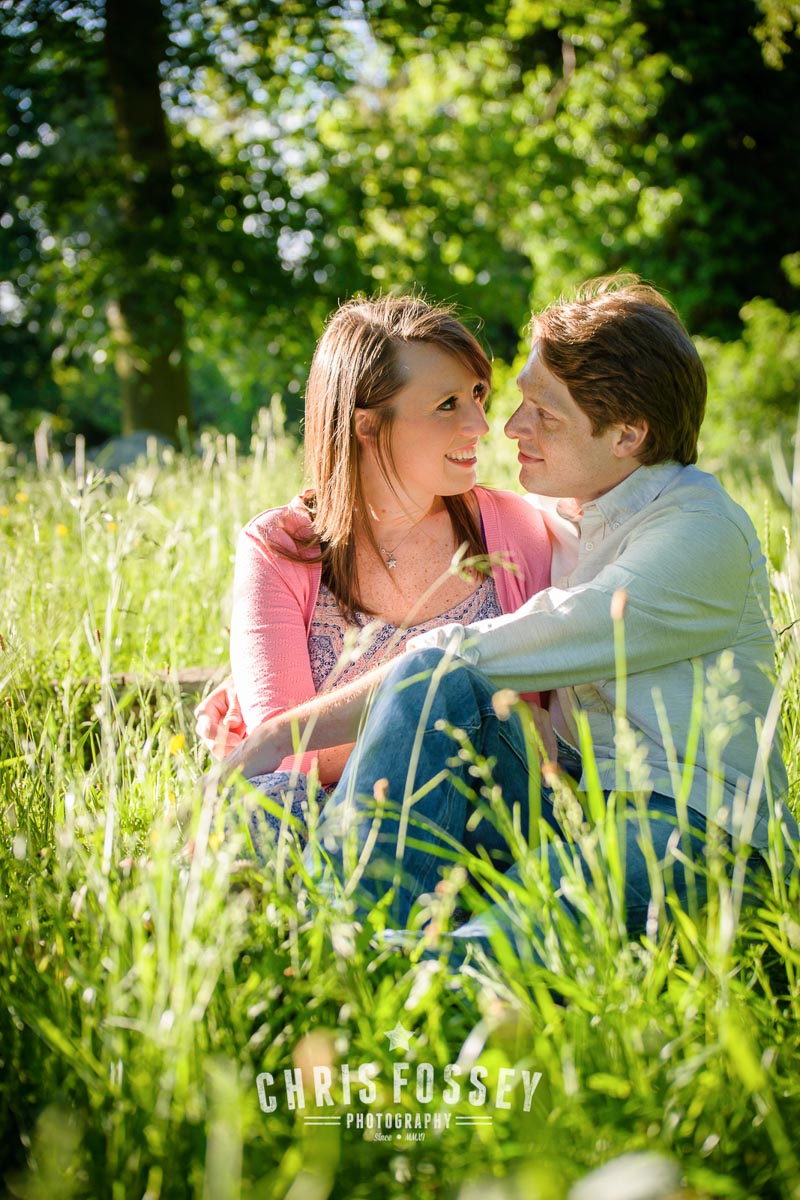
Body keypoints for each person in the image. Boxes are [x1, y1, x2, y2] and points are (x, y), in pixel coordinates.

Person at [216, 275, 798, 953]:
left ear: (628, 434)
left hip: (695, 823)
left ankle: (357, 950)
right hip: (572, 802)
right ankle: (353, 931)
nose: (504, 427)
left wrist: (283, 734)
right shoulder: (581, 507)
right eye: (516, 399)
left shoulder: (697, 533)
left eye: (543, 414)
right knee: (434, 688)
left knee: (503, 925)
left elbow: (515, 640)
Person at [198, 294, 552, 847]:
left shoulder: (513, 528)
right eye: (448, 404)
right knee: (263, 806)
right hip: (319, 811)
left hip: (474, 811)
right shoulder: (281, 547)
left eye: (478, 394)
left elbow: (533, 727)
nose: (481, 424)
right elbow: (287, 754)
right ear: (367, 425)